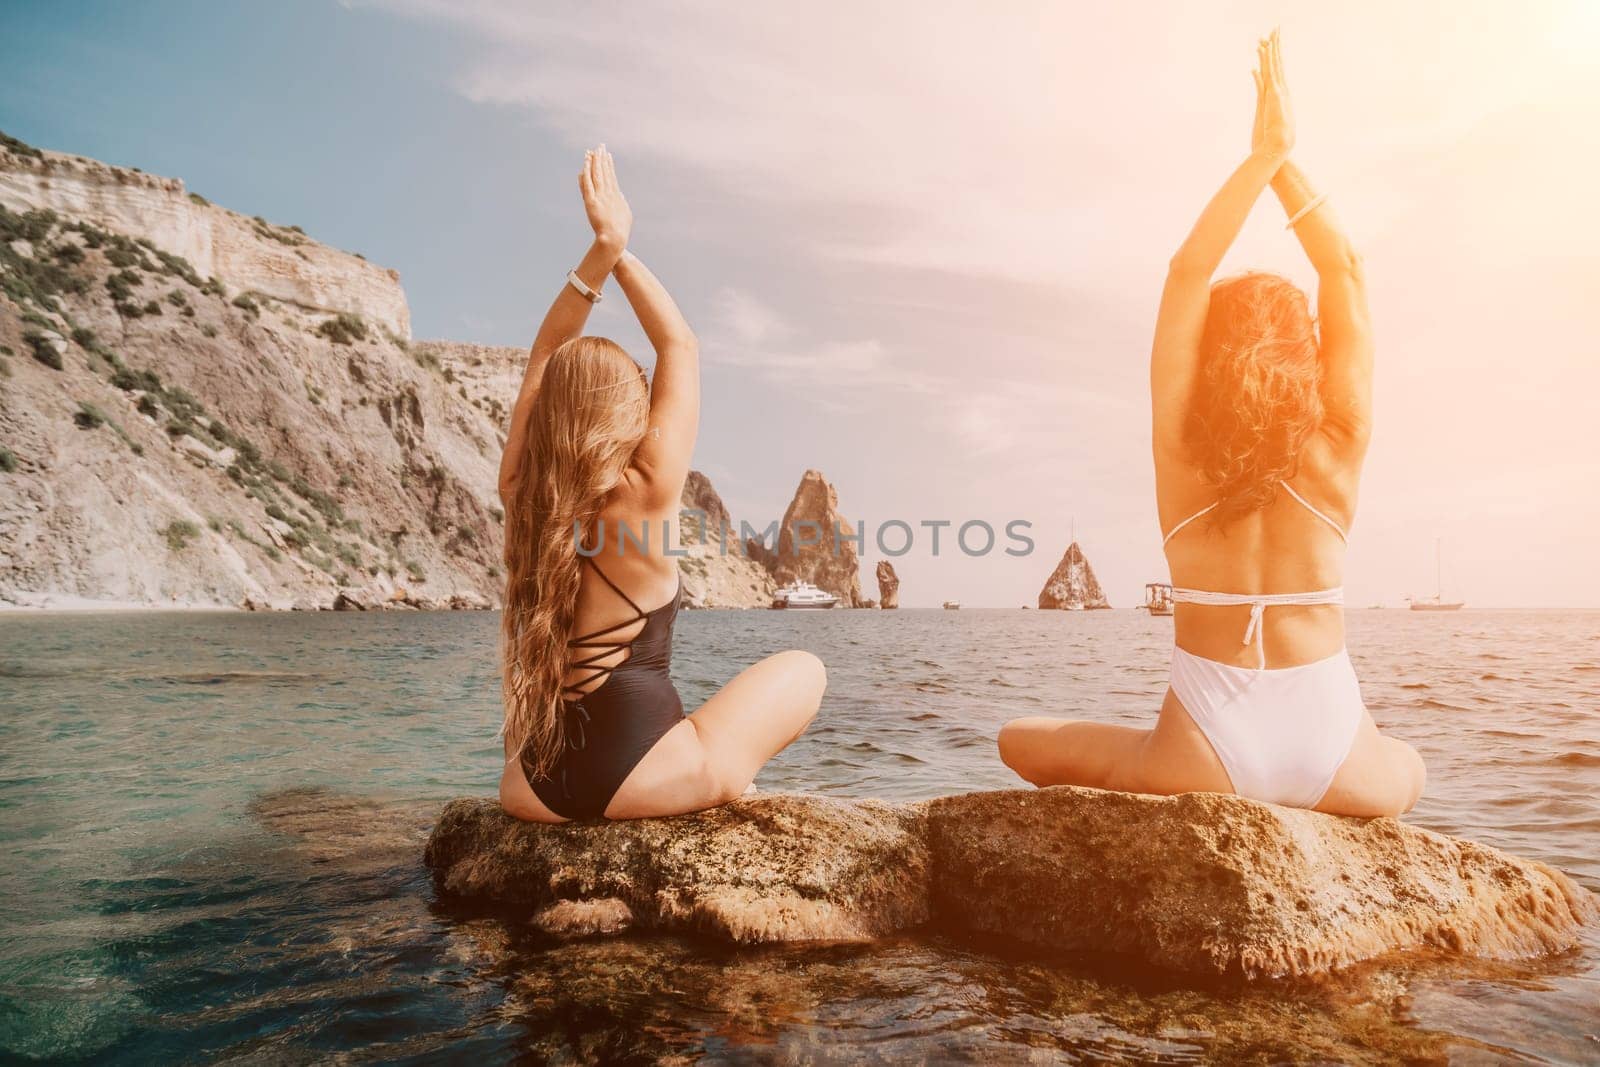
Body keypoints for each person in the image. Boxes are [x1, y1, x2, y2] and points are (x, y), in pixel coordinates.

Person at [998, 32, 1425, 817]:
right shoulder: (1337, 450)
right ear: (1306, 355)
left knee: (1017, 737)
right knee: (1412, 765)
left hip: (1199, 754)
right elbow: (1347, 269)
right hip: (1335, 757)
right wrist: (1284, 158)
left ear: (1213, 358)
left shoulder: (1180, 452)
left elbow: (1186, 271)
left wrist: (1257, 157)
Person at [496, 145, 825, 823]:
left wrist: (599, 253)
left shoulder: (521, 492)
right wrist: (619, 248)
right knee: (805, 670)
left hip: (532, 791)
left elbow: (545, 355)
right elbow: (679, 343)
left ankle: (702, 770)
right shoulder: (645, 489)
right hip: (643, 777)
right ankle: (714, 778)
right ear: (628, 416)